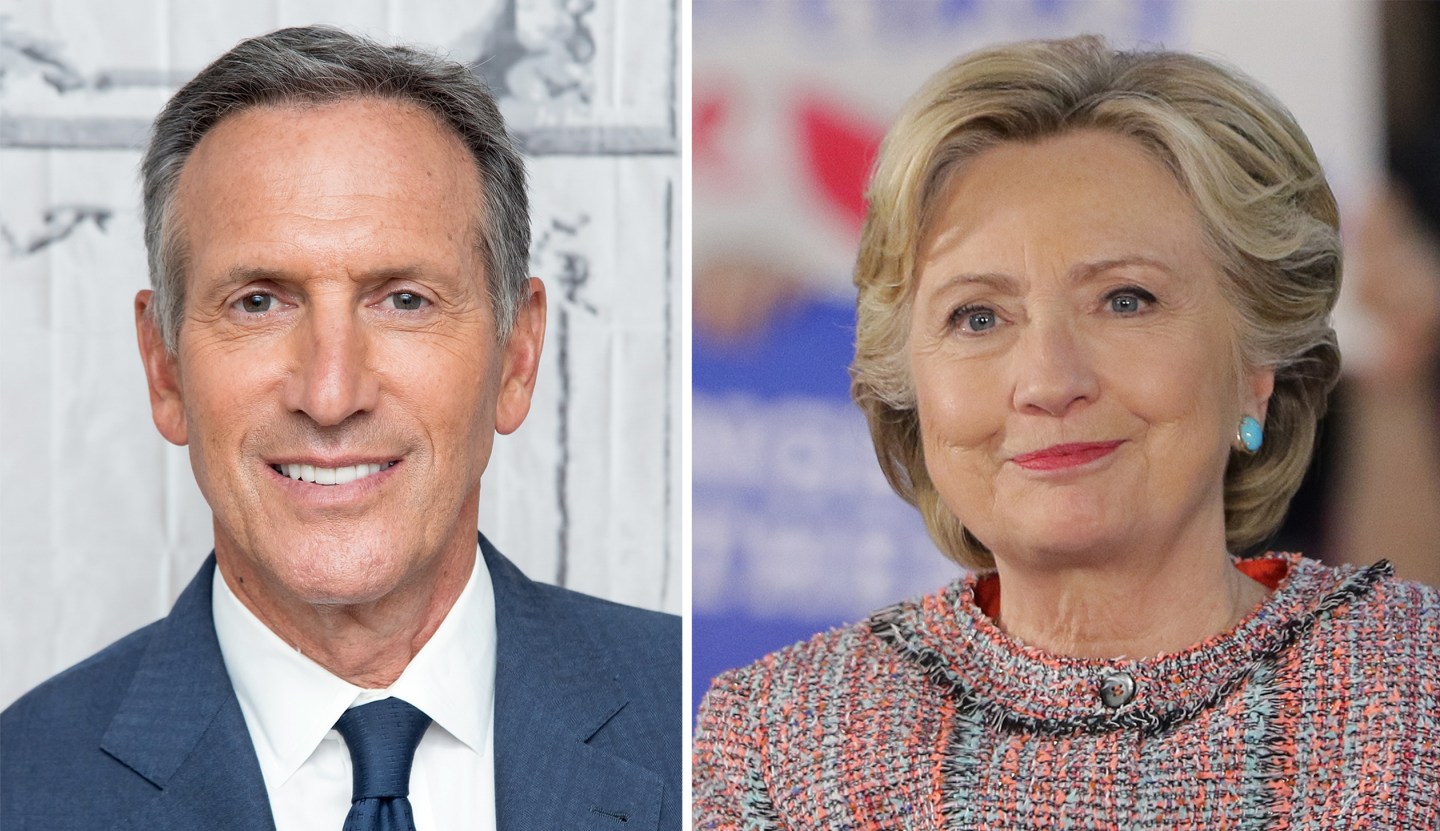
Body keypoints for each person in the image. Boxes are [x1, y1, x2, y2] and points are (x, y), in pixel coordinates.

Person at [693, 36, 1440, 827]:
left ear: (1256, 366)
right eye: (977, 316)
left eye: (1125, 300)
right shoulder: (778, 741)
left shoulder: (1418, 695)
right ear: (909, 385)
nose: (1049, 380)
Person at [1, 26, 679, 830]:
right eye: (258, 302)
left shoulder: (692, 720)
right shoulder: (24, 788)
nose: (330, 394)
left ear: (517, 356)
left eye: (404, 301)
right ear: (165, 368)